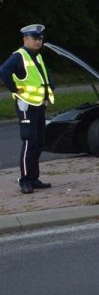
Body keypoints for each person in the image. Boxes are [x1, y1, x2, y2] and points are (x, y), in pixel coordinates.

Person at [0, 24, 55, 194]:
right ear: (25, 39)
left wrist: (48, 93)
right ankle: (25, 180)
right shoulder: (19, 56)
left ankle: (33, 178)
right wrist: (15, 90)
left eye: (40, 39)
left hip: (38, 105)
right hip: (26, 106)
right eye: (35, 38)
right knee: (30, 141)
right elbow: (3, 70)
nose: (38, 41)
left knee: (39, 142)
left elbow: (45, 77)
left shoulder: (36, 56)